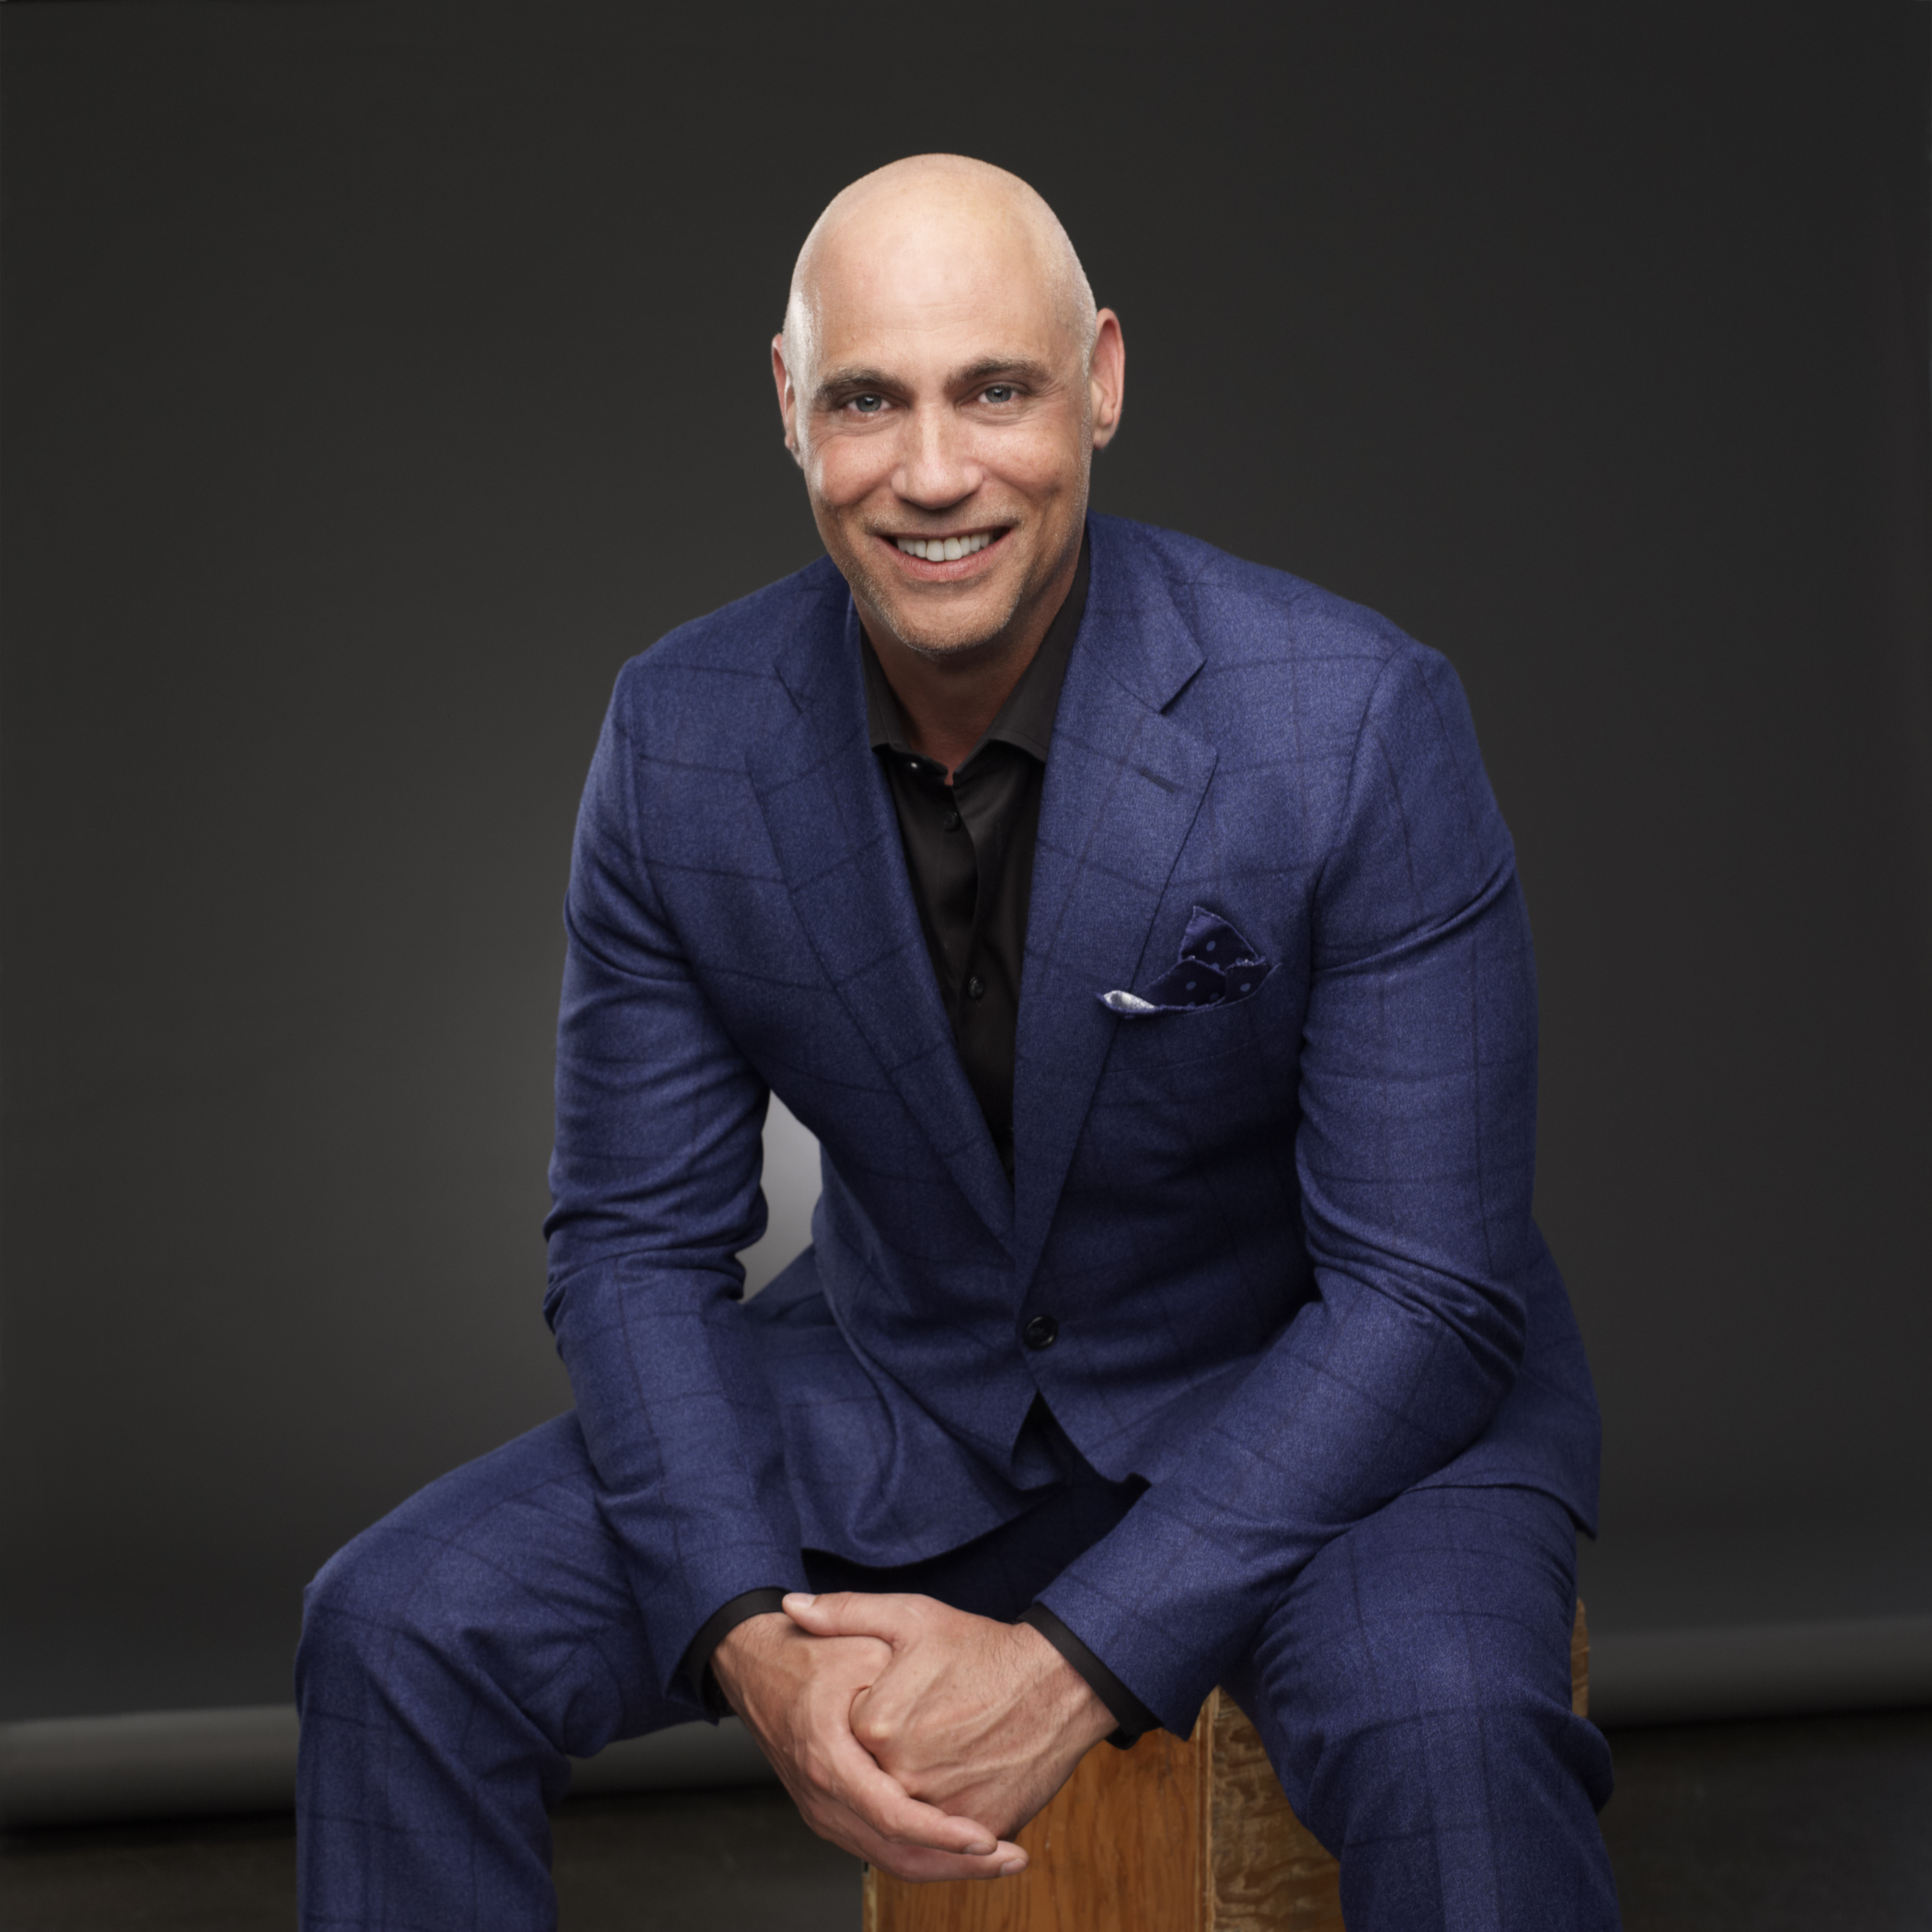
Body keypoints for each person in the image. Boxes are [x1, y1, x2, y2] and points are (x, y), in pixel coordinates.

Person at [295, 154, 1619, 1931]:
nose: (932, 472)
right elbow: (629, 1247)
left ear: (1103, 383)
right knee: (396, 1628)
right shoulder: (681, 738)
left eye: (996, 390)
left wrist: (1066, 1666)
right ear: (789, 404)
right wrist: (747, 1635)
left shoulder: (1354, 721)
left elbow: (1428, 1297)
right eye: (869, 400)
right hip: (906, 1392)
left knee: (1450, 1732)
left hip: (1325, 1412)